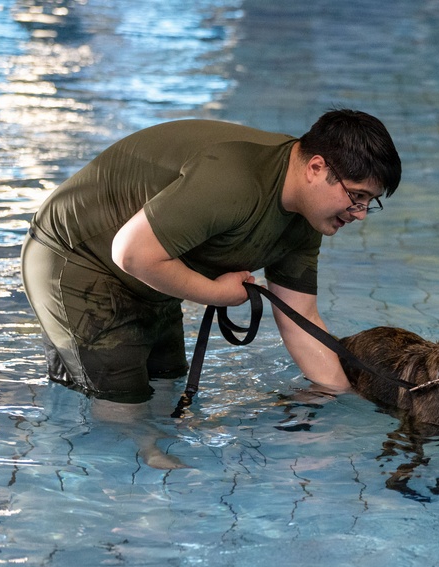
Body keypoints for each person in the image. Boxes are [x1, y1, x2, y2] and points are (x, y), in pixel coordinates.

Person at [22, 110, 401, 466]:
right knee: (121, 400)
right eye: (357, 196)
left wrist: (344, 404)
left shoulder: (305, 219)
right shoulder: (234, 179)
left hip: (153, 272)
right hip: (77, 259)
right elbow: (131, 253)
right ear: (316, 168)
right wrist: (218, 294)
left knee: (165, 381)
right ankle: (125, 482)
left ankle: (147, 449)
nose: (361, 214)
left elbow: (301, 319)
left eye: (371, 202)